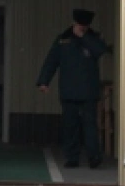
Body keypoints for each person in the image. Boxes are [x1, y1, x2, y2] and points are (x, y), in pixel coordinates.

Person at [36, 9, 108, 168]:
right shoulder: (63, 39)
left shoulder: (94, 38)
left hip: (88, 92)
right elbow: (51, 61)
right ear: (74, 23)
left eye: (84, 26)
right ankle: (72, 157)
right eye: (79, 25)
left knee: (90, 126)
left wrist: (84, 37)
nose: (81, 28)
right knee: (70, 127)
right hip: (69, 91)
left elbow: (100, 50)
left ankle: (94, 157)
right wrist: (44, 81)